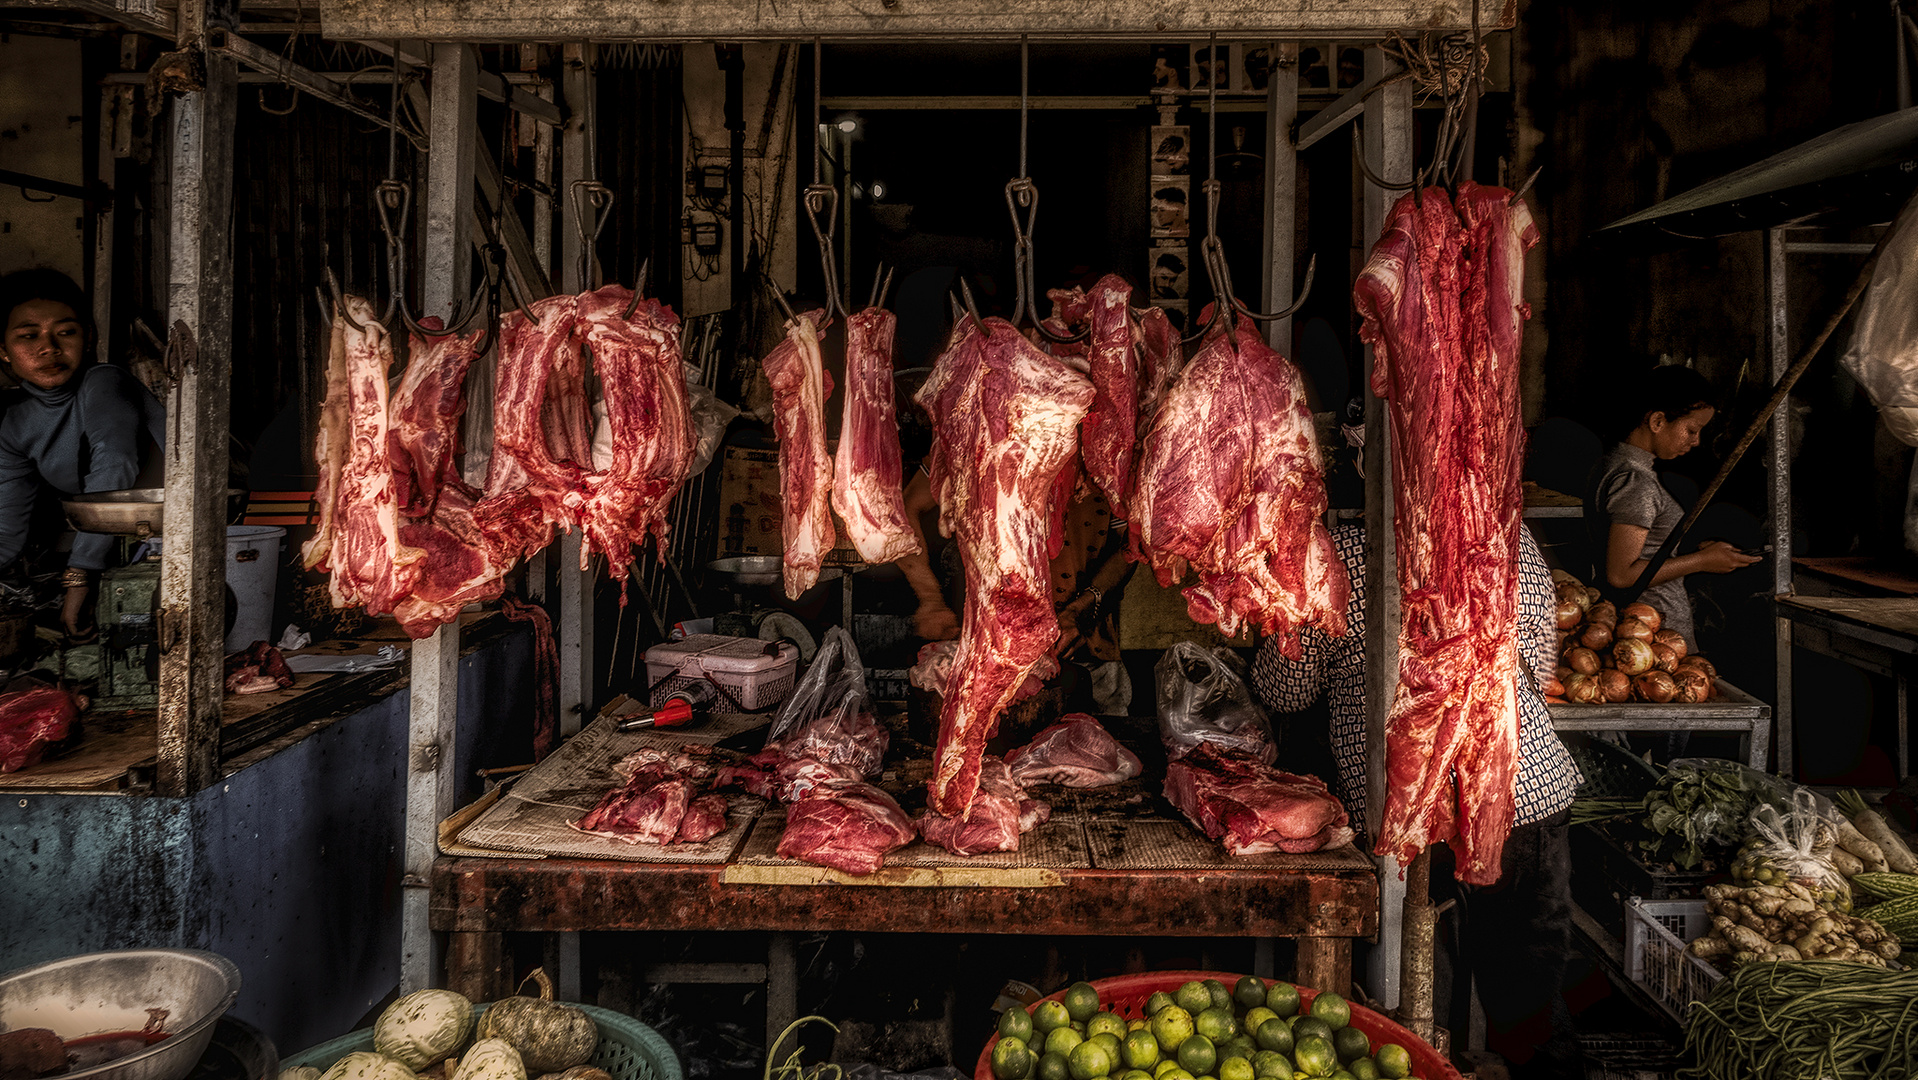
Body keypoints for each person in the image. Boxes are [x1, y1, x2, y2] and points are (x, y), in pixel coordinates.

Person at [1251, 521, 1584, 1080]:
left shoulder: (1342, 551)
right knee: (1528, 992)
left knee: (1414, 994)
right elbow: (1541, 658)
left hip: (1407, 808)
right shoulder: (1507, 528)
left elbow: (1288, 688)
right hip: (1522, 786)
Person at [0, 268, 167, 640]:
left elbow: (114, 465)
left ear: (88, 338)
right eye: (29, 336)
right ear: (3, 351)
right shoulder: (15, 423)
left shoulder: (105, 382)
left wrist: (80, 576)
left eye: (66, 332)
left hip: (167, 540)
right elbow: (7, 528)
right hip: (111, 546)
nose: (49, 348)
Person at [1586, 365, 1759, 651]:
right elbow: (1620, 574)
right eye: (1691, 429)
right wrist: (1703, 561)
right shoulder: (1635, 480)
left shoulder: (1612, 464)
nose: (1696, 441)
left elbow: (1645, 548)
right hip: (1652, 633)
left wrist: (1698, 553)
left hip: (1643, 628)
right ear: (1657, 421)